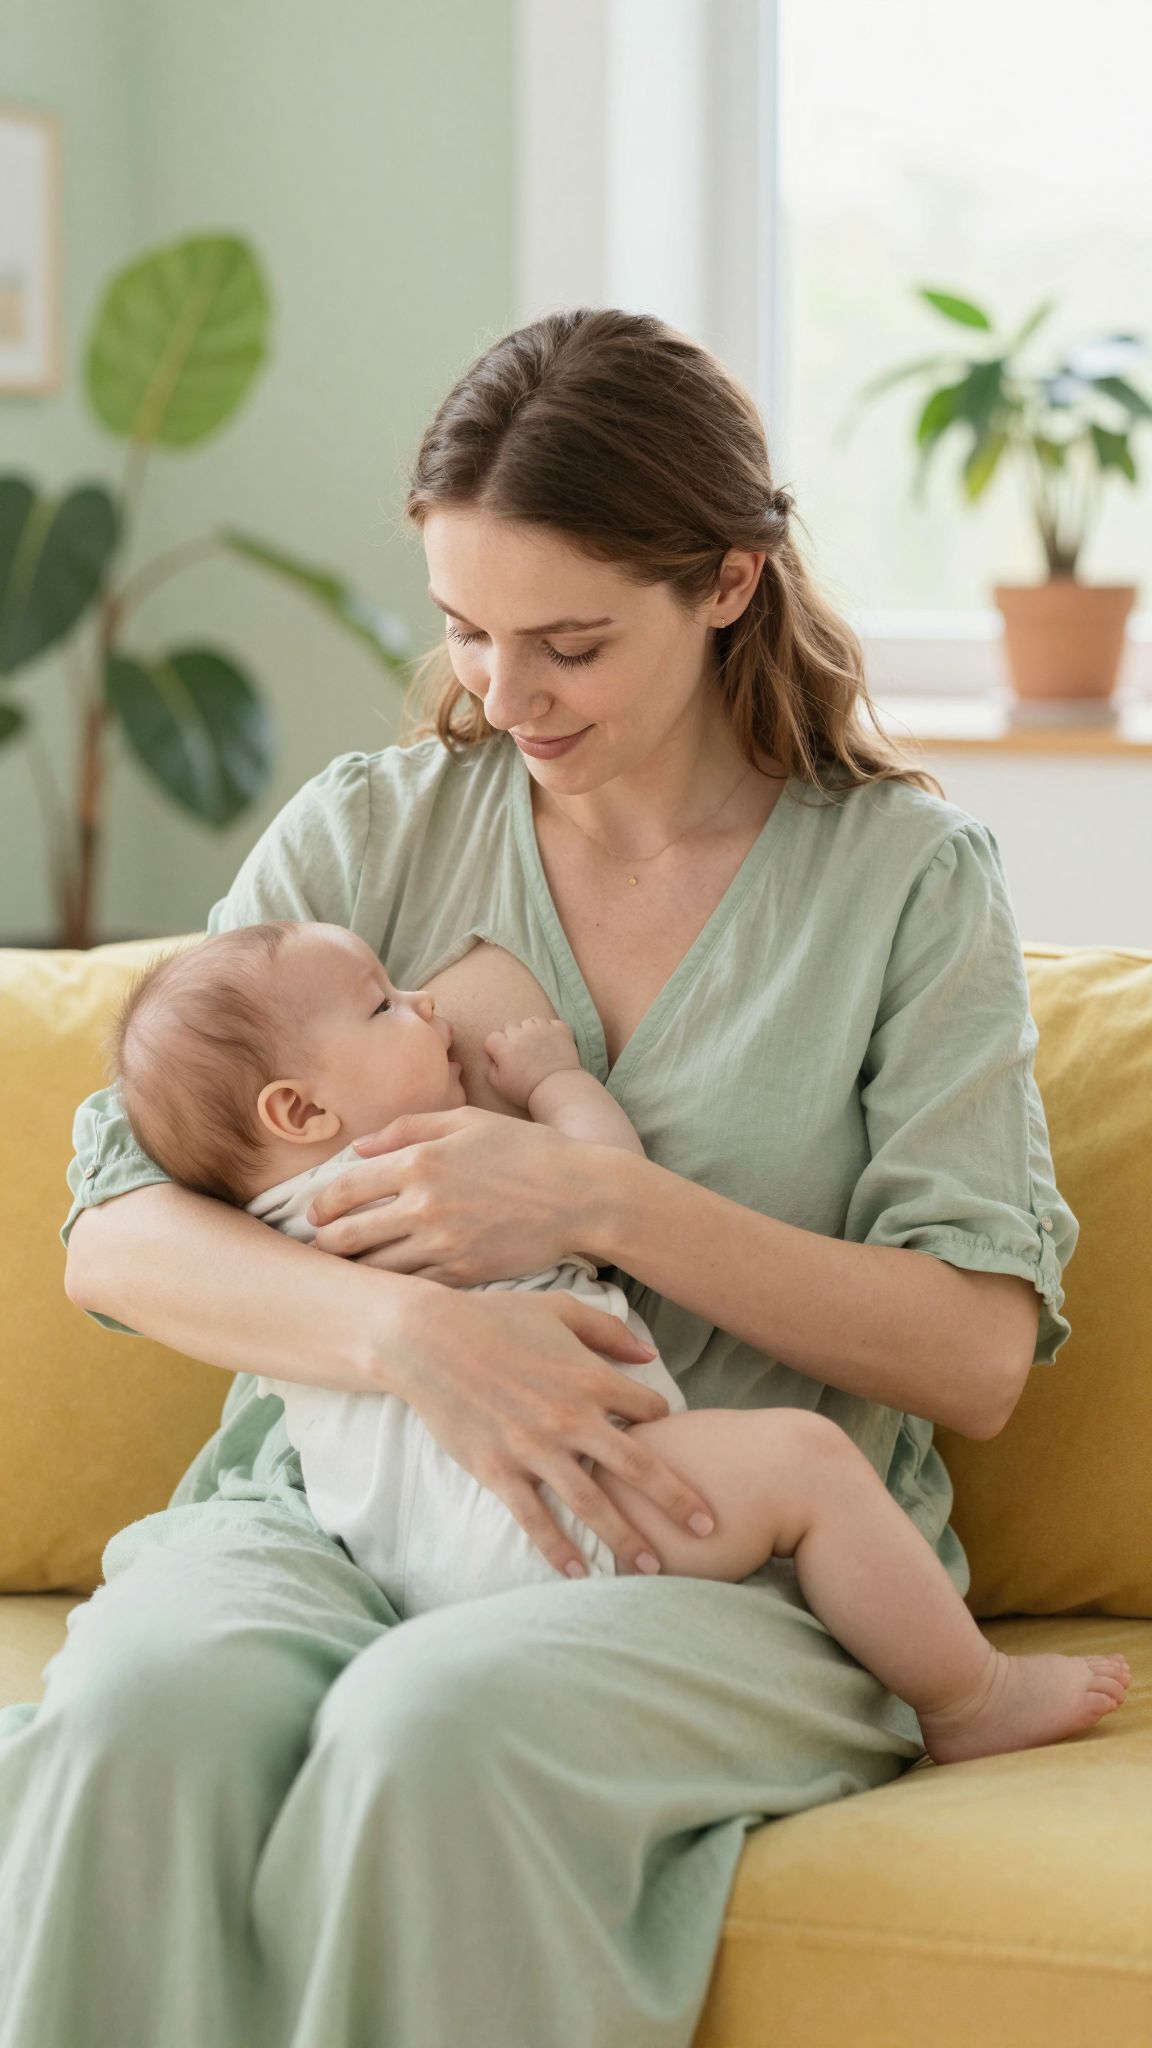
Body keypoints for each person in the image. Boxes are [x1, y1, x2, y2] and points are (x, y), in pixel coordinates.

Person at [0, 307, 1084, 2048]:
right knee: (135, 1710)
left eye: (567, 642)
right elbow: (116, 1229)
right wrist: (412, 1338)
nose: (503, 696)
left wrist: (596, 1203)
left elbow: (968, 1349)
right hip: (331, 1514)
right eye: (465, 631)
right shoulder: (370, 831)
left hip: (701, 1551)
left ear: (725, 582)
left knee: (430, 1734)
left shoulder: (902, 882)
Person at [108, 914, 1126, 1761]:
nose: (425, 1000)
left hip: (395, 1558)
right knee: (808, 1463)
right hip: (568, 1514)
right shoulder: (431, 1163)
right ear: (299, 1106)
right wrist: (553, 1081)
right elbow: (607, 1169)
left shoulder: (266, 1231)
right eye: (384, 1002)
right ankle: (968, 1696)